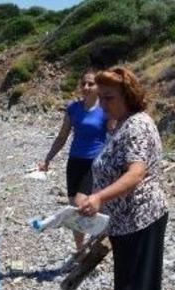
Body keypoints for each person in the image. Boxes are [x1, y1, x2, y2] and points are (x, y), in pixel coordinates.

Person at [75, 67, 168, 290]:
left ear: (128, 95)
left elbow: (136, 172)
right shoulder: (121, 124)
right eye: (101, 98)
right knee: (125, 278)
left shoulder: (137, 125)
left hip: (141, 214)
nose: (103, 104)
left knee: (135, 282)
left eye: (109, 98)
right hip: (123, 217)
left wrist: (100, 197)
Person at [39, 70, 111, 251]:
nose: (86, 87)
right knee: (74, 207)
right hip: (74, 162)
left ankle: (98, 243)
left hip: (94, 163)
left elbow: (113, 135)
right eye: (83, 84)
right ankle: (80, 248)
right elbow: (62, 137)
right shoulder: (73, 109)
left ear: (98, 87)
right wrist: (48, 159)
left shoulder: (104, 110)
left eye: (91, 84)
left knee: (81, 205)